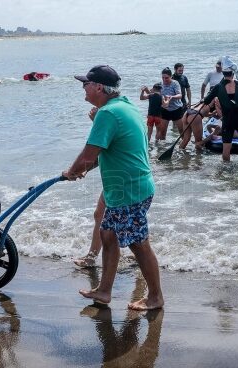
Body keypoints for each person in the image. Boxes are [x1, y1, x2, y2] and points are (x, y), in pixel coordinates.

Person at [64, 65, 164, 310]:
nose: (83, 88)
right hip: (129, 186)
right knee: (108, 234)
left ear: (99, 87)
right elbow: (104, 153)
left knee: (139, 244)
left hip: (128, 189)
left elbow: (89, 156)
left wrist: (72, 171)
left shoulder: (107, 114)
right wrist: (82, 169)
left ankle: (155, 297)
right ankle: (104, 291)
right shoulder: (125, 105)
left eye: (86, 84)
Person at [201, 58, 238, 161]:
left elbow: (206, 101)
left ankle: (226, 169)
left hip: (227, 121)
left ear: (223, 73)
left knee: (226, 147)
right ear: (233, 73)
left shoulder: (217, 87)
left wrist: (204, 99)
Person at [73, 192, 105, 268]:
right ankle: (91, 257)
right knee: (99, 214)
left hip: (122, 182)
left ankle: (138, 253)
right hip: (111, 182)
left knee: (125, 218)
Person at [159, 67, 183, 138]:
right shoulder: (160, 84)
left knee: (182, 131)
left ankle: (184, 147)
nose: (164, 80)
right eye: (163, 78)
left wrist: (172, 97)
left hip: (176, 109)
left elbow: (180, 95)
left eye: (166, 78)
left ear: (171, 77)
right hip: (165, 110)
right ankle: (161, 148)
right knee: (162, 132)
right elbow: (153, 94)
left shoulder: (175, 83)